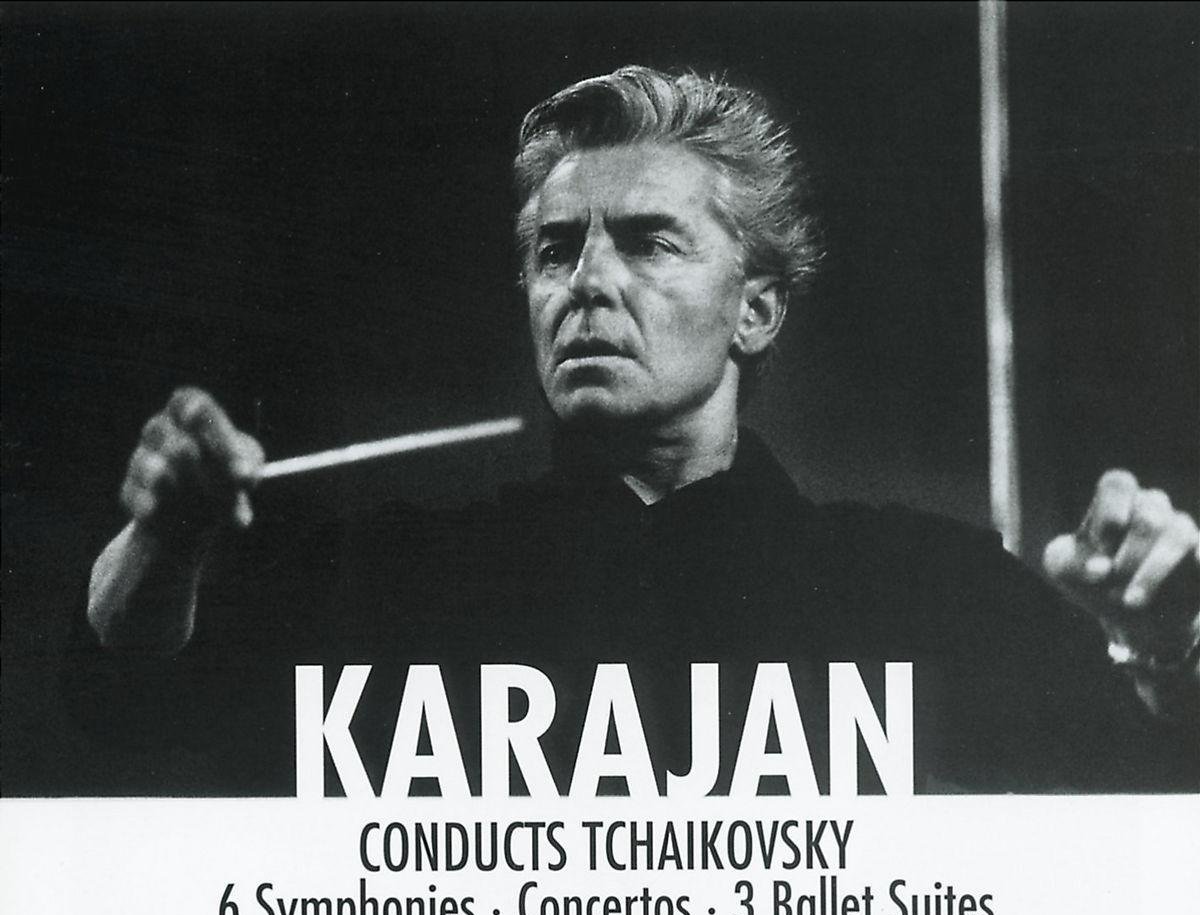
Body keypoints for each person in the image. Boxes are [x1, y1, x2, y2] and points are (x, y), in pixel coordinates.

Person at [73, 66, 1199, 795]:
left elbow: (1146, 799)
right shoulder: (392, 577)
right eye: (556, 250)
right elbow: (125, 705)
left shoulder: (923, 585)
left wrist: (1162, 641)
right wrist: (164, 538)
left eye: (650, 241)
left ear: (756, 311)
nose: (587, 282)